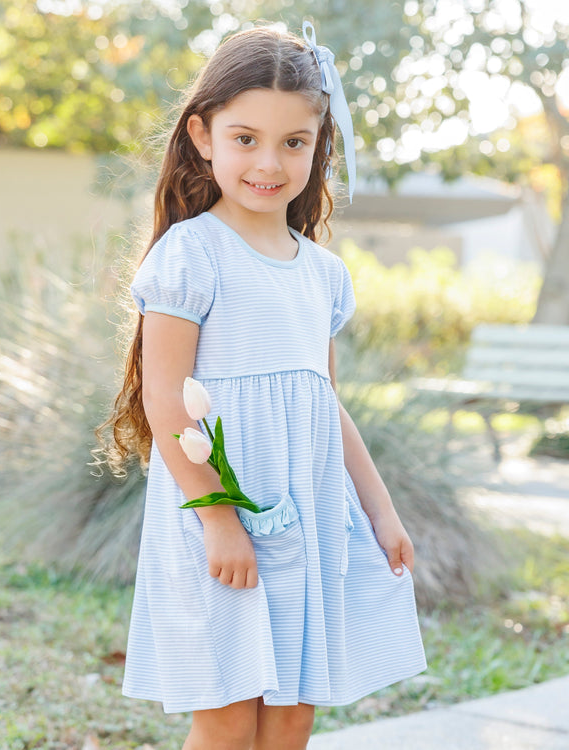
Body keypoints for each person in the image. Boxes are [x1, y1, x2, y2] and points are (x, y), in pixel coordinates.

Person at [99, 20, 426, 750]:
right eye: (245, 138)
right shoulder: (191, 256)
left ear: (320, 146)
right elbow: (164, 398)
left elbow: (325, 403)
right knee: (227, 713)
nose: (268, 162)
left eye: (293, 142)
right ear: (202, 135)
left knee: (291, 714)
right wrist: (217, 517)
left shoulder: (322, 274)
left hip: (306, 519)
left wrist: (381, 511)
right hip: (218, 518)